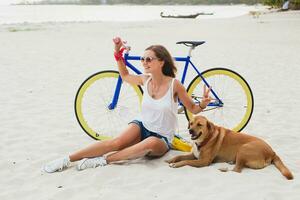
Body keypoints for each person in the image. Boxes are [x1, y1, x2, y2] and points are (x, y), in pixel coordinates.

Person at [43, 37, 212, 173]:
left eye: (149, 59)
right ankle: (67, 159)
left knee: (151, 142)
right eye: (142, 59)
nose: (144, 62)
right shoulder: (145, 79)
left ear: (161, 62)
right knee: (115, 143)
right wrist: (117, 54)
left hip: (161, 138)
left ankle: (103, 160)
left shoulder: (175, 85)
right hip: (142, 125)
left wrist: (203, 104)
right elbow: (124, 75)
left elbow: (193, 109)